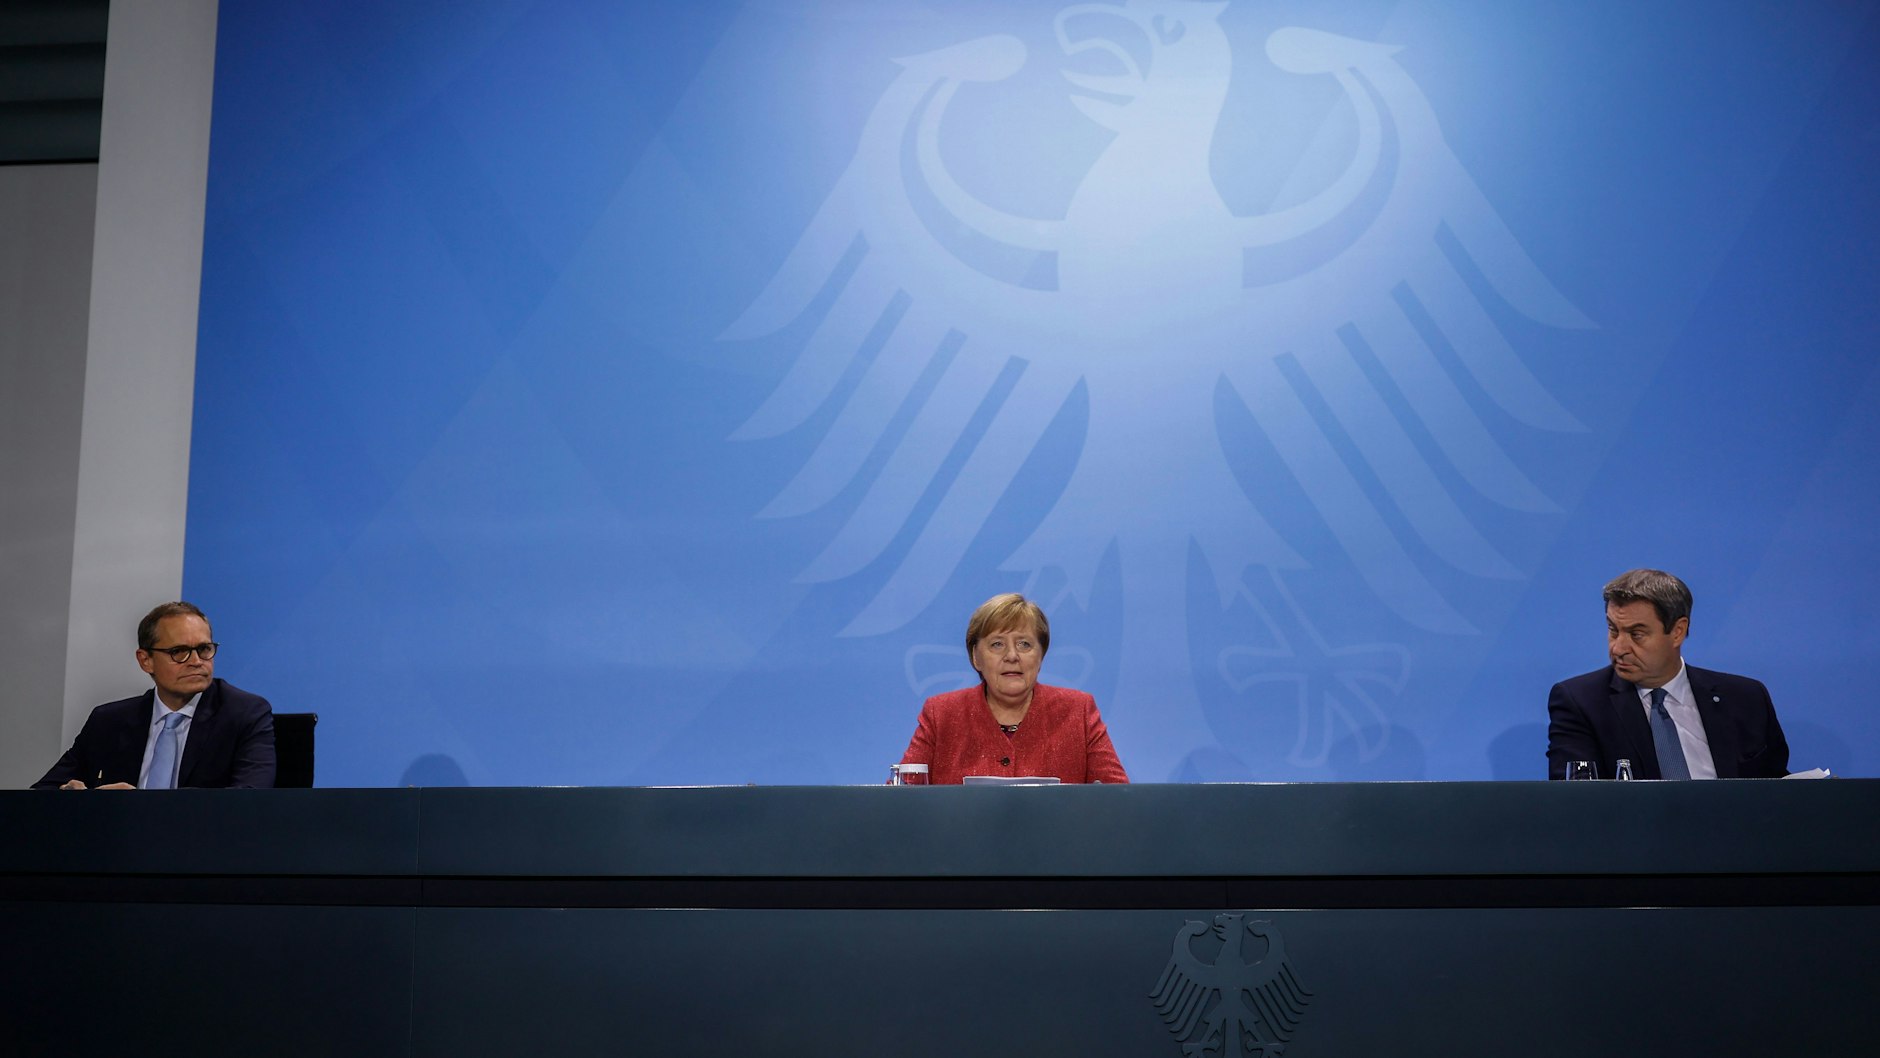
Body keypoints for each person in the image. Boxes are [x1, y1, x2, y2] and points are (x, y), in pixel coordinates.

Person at [1546, 569, 1787, 780]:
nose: (1618, 648)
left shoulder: (1745, 698)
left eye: (1636, 634)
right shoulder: (1581, 702)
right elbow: (1577, 800)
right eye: (1613, 630)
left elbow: (1775, 786)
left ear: (1677, 632)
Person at [34, 602, 276, 789]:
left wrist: (137, 805)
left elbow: (249, 799)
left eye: (204, 649)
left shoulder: (244, 713)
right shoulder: (108, 721)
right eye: (179, 651)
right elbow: (40, 794)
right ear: (146, 660)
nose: (196, 662)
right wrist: (76, 798)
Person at [898, 593, 1128, 784]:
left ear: (1041, 656)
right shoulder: (941, 713)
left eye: (1024, 644)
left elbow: (1119, 802)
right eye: (997, 644)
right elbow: (899, 803)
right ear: (976, 657)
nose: (1011, 656)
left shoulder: (1078, 711)